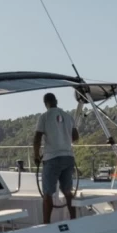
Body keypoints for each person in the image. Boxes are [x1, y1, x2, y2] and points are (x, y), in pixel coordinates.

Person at [33, 93, 79, 222]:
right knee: (67, 191)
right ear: (56, 101)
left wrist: (36, 155)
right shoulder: (68, 117)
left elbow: (37, 138)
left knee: (47, 194)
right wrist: (63, 139)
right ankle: (73, 219)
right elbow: (75, 136)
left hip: (52, 158)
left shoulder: (44, 117)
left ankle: (46, 224)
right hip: (68, 157)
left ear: (45, 103)